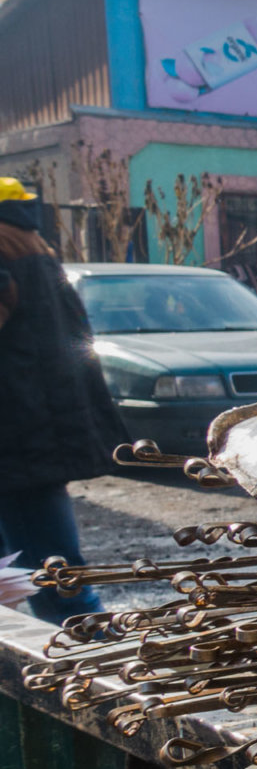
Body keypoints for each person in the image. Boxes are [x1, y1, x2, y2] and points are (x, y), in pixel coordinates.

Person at [0, 178, 126, 624]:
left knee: (51, 575)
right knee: (41, 568)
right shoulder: (27, 238)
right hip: (32, 426)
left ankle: (92, 650)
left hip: (16, 434)